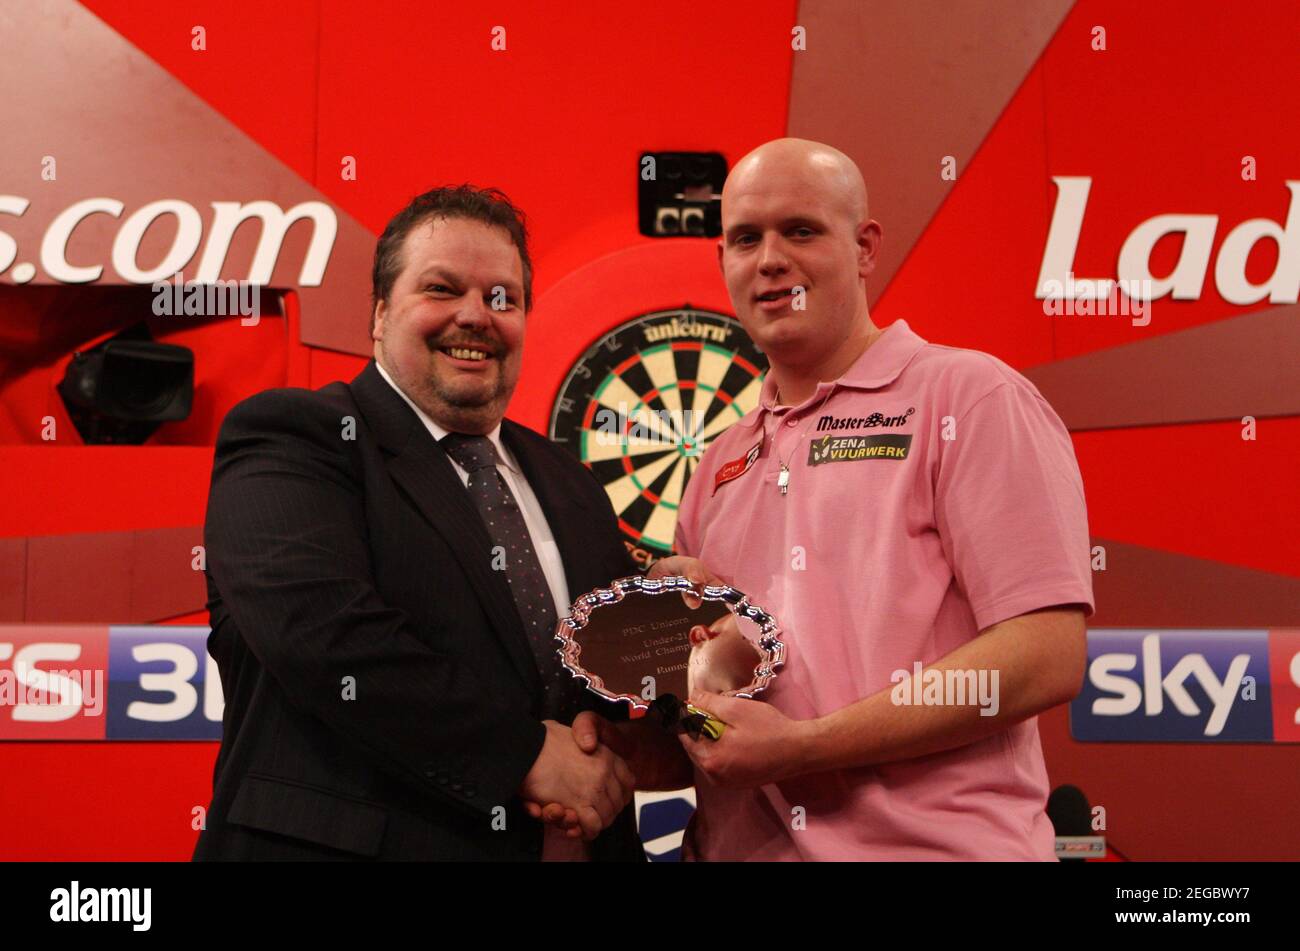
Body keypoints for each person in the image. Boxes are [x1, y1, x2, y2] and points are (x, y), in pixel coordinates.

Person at [648, 138, 1095, 860]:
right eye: (744, 239)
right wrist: (653, 714)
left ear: (864, 247)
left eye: (800, 230)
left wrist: (805, 747)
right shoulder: (718, 465)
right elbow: (716, 718)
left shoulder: (970, 398)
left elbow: (1046, 654)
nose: (769, 259)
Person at [194, 185, 642, 861]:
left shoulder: (570, 481)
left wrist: (682, 621)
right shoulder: (298, 436)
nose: (476, 315)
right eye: (441, 289)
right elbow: (326, 636)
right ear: (378, 315)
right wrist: (523, 755)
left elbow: (607, 677)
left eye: (503, 298)